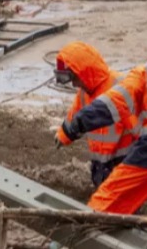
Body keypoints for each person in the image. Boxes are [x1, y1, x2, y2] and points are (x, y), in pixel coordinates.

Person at [58, 20, 147, 244]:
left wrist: (75, 125)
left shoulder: (144, 73)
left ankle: (79, 243)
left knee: (104, 203)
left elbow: (113, 103)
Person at [54, 42, 138, 188]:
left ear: (84, 73)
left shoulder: (119, 87)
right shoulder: (83, 94)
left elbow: (139, 128)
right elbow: (74, 117)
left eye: (74, 79)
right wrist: (63, 135)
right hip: (100, 164)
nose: (74, 85)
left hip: (123, 163)